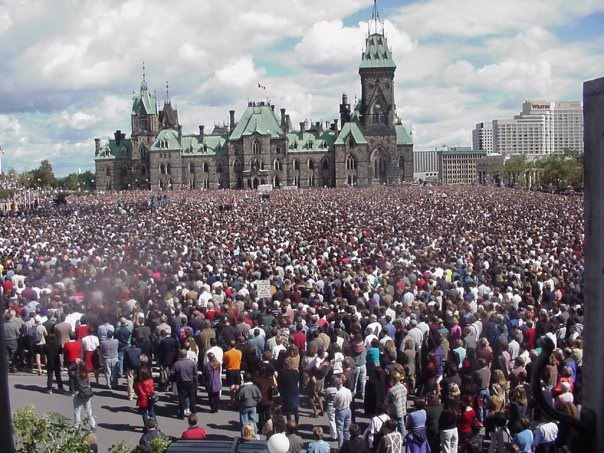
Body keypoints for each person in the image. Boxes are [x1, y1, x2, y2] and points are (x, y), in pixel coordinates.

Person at [173, 348, 198, 418]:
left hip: (181, 382)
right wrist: (195, 381)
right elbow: (195, 373)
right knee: (192, 398)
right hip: (191, 382)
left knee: (182, 399)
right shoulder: (191, 363)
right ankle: (194, 412)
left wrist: (175, 380)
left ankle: (182, 414)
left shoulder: (177, 364)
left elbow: (173, 374)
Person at [73, 360, 96, 430]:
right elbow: (89, 384)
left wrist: (75, 364)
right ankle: (92, 425)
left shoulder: (76, 375)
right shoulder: (87, 374)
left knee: (77, 410)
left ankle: (77, 426)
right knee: (88, 410)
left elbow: (70, 370)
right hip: (86, 392)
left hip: (79, 392)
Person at [385, 370, 407, 436]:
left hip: (394, 411)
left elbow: (386, 402)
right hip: (402, 409)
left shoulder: (391, 390)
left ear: (394, 379)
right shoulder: (403, 387)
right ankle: (403, 438)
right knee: (401, 425)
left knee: (393, 425)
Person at [333, 376, 353, 448]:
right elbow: (350, 400)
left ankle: (341, 447)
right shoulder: (348, 390)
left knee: (340, 429)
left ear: (336, 385)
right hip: (348, 409)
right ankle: (347, 445)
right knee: (347, 429)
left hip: (340, 411)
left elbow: (334, 404)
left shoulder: (338, 393)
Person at [223, 340, 243, 407]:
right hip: (237, 370)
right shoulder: (239, 352)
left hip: (230, 370)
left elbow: (225, 362)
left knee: (231, 387)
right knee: (237, 386)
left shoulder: (226, 353)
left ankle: (232, 402)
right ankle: (237, 401)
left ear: (229, 346)